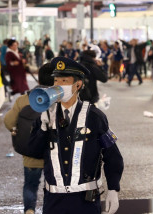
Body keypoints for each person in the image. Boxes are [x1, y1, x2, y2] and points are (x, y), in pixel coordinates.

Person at [27, 57, 124, 214]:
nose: (58, 85)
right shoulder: (45, 115)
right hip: (53, 201)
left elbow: (113, 156)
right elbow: (33, 152)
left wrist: (114, 189)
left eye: (64, 80)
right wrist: (43, 129)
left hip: (85, 202)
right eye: (56, 80)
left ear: (77, 85)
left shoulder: (94, 116)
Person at [4, 63, 54, 214]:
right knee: (52, 186)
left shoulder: (24, 100)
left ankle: (29, 211)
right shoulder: (60, 101)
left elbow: (8, 122)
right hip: (53, 155)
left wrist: (16, 130)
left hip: (31, 153)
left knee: (30, 185)